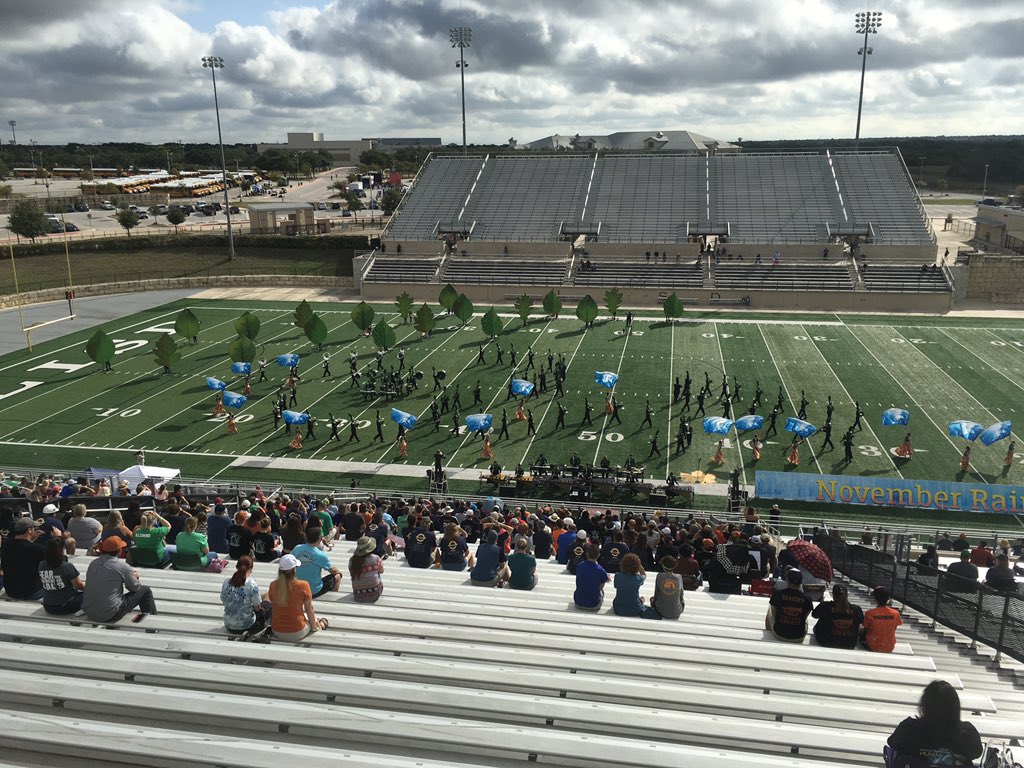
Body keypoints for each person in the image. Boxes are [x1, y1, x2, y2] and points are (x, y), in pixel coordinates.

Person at [886, 680, 983, 767]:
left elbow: (892, 743)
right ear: (956, 707)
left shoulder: (909, 729)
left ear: (925, 705)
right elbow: (976, 753)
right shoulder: (968, 735)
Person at [83, 537, 158, 623]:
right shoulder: (123, 567)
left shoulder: (93, 563)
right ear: (119, 551)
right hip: (110, 614)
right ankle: (152, 622)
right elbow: (134, 588)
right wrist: (135, 577)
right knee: (146, 590)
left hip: (89, 612)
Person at [269, 554, 327, 641]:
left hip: (277, 631)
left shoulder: (273, 585)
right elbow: (309, 609)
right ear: (294, 569)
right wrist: (314, 628)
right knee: (315, 621)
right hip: (297, 632)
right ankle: (321, 624)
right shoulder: (303, 585)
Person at [220, 556, 272, 640]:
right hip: (248, 626)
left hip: (229, 625)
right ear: (250, 569)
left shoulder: (226, 582)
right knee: (268, 602)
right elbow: (258, 608)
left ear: (236, 567)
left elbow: (223, 599)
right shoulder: (251, 583)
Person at [1, 517, 47, 599]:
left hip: (11, 590)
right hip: (31, 592)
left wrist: (31, 540)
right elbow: (54, 563)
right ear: (29, 530)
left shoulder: (5, 545)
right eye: (33, 528)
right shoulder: (38, 549)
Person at [291, 529, 342, 598]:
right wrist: (340, 572)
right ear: (319, 539)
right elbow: (332, 570)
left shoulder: (297, 548)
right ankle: (332, 599)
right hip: (313, 591)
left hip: (296, 589)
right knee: (338, 576)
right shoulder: (321, 555)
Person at [39, 539, 85, 615]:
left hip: (48, 606)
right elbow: (78, 585)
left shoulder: (41, 564)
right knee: (89, 596)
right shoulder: (67, 566)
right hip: (65, 606)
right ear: (62, 550)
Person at [766, 569, 813, 642]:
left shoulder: (778, 594)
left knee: (770, 609)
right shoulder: (807, 598)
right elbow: (805, 616)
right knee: (804, 615)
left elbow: (774, 614)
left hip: (779, 633)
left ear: (787, 580)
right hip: (799, 636)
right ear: (801, 582)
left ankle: (768, 635)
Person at [810, 583, 863, 649]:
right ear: (847, 595)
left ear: (833, 595)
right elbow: (862, 622)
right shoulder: (856, 609)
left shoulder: (825, 606)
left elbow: (814, 615)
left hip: (825, 642)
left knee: (816, 626)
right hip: (849, 644)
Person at [862, 586, 903, 652]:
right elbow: (894, 628)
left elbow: (866, 630)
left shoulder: (870, 613)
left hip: (872, 646)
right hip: (889, 646)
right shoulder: (895, 613)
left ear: (875, 599)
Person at [646, 555, 685, 620]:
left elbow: (656, 595)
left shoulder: (659, 576)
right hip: (677, 611)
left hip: (661, 611)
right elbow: (681, 595)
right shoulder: (679, 577)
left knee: (652, 599)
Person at [349, 536, 384, 603]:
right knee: (377, 573)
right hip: (375, 594)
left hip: (358, 595)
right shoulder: (376, 558)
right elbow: (382, 571)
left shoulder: (352, 560)